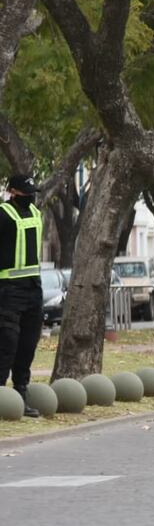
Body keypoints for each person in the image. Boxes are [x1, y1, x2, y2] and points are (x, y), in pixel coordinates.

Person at [0, 175, 44, 418]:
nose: (30, 196)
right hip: (8, 290)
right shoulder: (3, 214)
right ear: (13, 191)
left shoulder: (36, 214)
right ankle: (1, 397)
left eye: (32, 192)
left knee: (27, 345)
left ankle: (20, 395)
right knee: (7, 344)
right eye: (26, 192)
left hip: (33, 290)